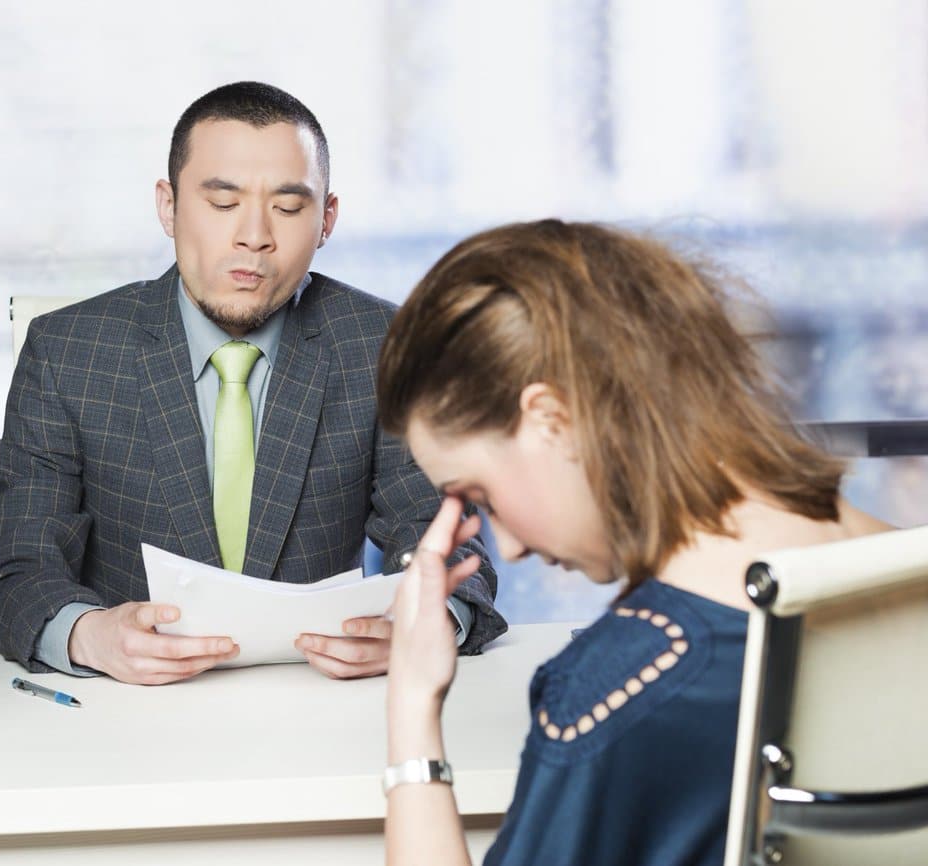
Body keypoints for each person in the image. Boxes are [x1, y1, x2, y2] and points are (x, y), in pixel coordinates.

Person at [375, 220, 892, 864]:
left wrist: (412, 705)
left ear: (551, 419)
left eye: (480, 495)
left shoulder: (624, 684)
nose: (507, 547)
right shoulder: (900, 565)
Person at [0, 82, 506, 686]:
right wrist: (87, 635)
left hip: (321, 697)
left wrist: (423, 622)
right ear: (168, 206)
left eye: (288, 208)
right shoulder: (67, 351)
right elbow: (17, 569)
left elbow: (441, 534)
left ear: (327, 219)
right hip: (130, 707)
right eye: (223, 202)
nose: (254, 236)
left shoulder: (389, 345)